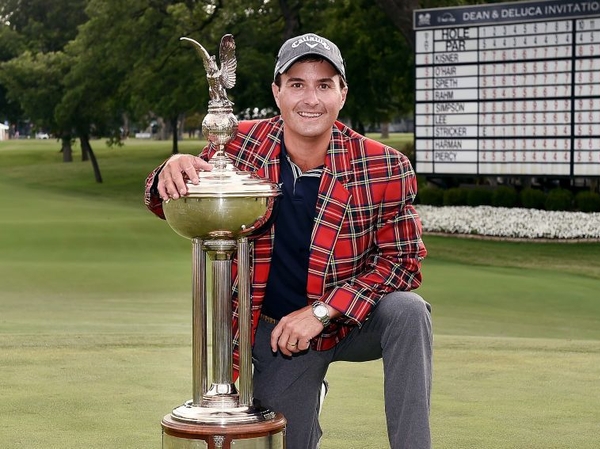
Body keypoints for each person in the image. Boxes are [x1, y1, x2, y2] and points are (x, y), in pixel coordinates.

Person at [144, 33, 432, 449]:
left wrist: (323, 310)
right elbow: (168, 200)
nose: (310, 99)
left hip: (352, 319)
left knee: (409, 311)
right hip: (280, 335)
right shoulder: (238, 144)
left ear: (342, 94)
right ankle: (307, 391)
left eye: (324, 85)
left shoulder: (385, 165)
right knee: (287, 441)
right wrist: (171, 167)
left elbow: (403, 263)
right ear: (277, 92)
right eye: (297, 84)